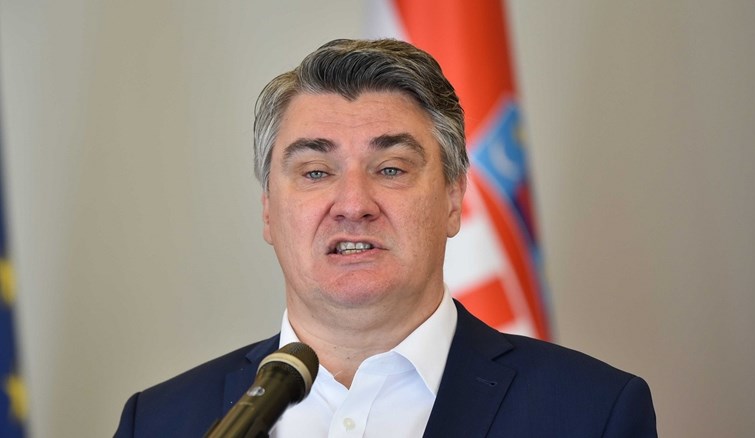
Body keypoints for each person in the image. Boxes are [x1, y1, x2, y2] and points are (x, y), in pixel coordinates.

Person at [115, 38, 657, 437]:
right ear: (268, 212)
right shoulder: (160, 421)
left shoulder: (592, 413)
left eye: (392, 169)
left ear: (452, 199)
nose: (353, 204)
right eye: (315, 172)